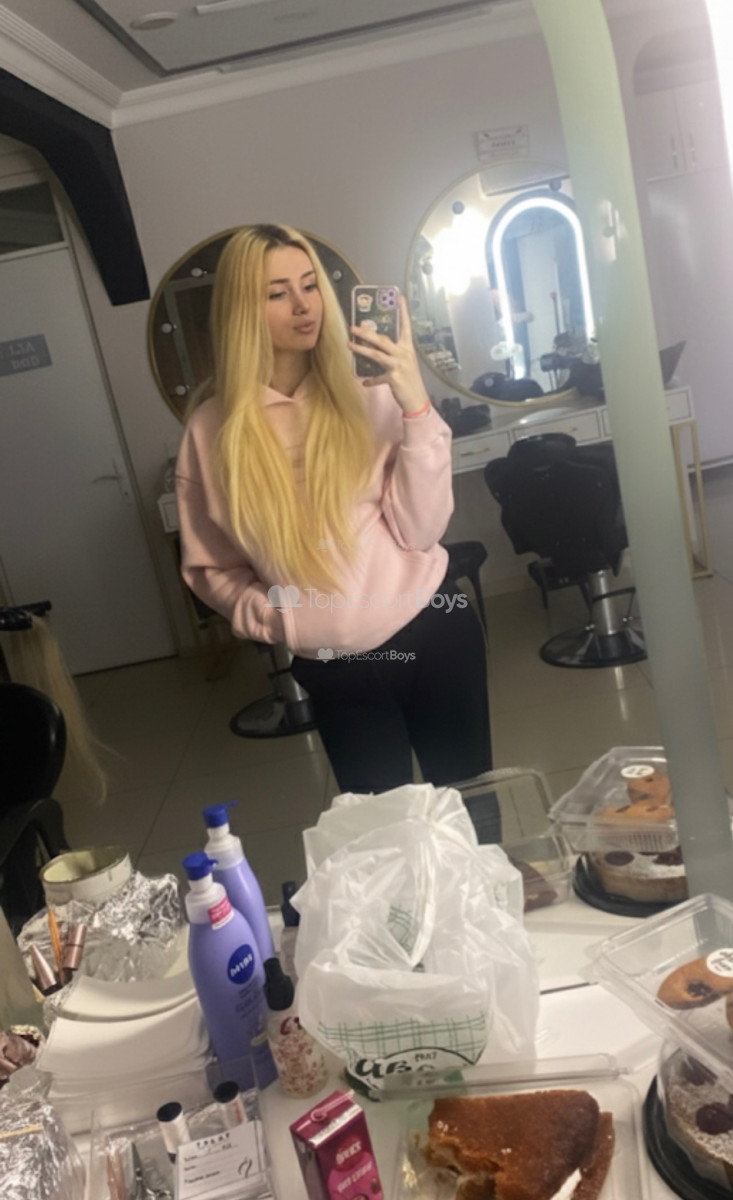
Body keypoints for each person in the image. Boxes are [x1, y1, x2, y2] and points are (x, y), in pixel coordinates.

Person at [175, 223, 491, 794]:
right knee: (381, 832)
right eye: (277, 293)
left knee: (472, 810)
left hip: (431, 627)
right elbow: (210, 566)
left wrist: (415, 406)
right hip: (334, 664)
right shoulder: (211, 432)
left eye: (310, 285)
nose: (304, 306)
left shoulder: (368, 389)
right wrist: (276, 618)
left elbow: (421, 532)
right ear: (241, 311)